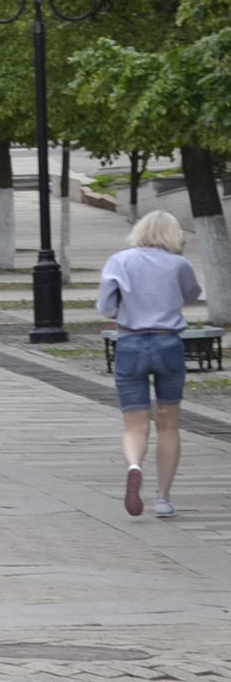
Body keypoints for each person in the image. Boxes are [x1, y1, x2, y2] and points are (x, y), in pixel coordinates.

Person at [98, 211, 204, 518]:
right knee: (168, 424)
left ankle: (134, 466)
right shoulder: (179, 264)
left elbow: (106, 306)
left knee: (135, 424)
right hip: (168, 344)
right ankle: (164, 498)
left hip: (130, 345)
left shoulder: (119, 261)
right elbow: (192, 294)